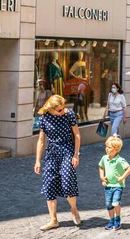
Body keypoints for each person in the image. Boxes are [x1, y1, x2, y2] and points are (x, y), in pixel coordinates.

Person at [34, 95, 81, 231]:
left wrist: (76, 154)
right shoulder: (44, 117)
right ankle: (53, 220)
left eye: (63, 108)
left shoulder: (69, 114)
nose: (62, 111)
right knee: (49, 185)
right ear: (51, 109)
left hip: (67, 150)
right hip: (51, 153)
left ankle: (73, 209)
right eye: (59, 110)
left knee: (67, 182)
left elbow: (77, 135)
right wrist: (37, 160)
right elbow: (41, 141)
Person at [99, 135, 130, 230]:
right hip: (108, 185)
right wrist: (102, 177)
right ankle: (111, 220)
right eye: (107, 147)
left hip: (118, 185)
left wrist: (122, 178)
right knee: (109, 204)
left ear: (116, 149)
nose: (107, 149)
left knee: (115, 203)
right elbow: (101, 167)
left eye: (109, 147)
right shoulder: (104, 158)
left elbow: (129, 169)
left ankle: (117, 218)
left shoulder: (119, 160)